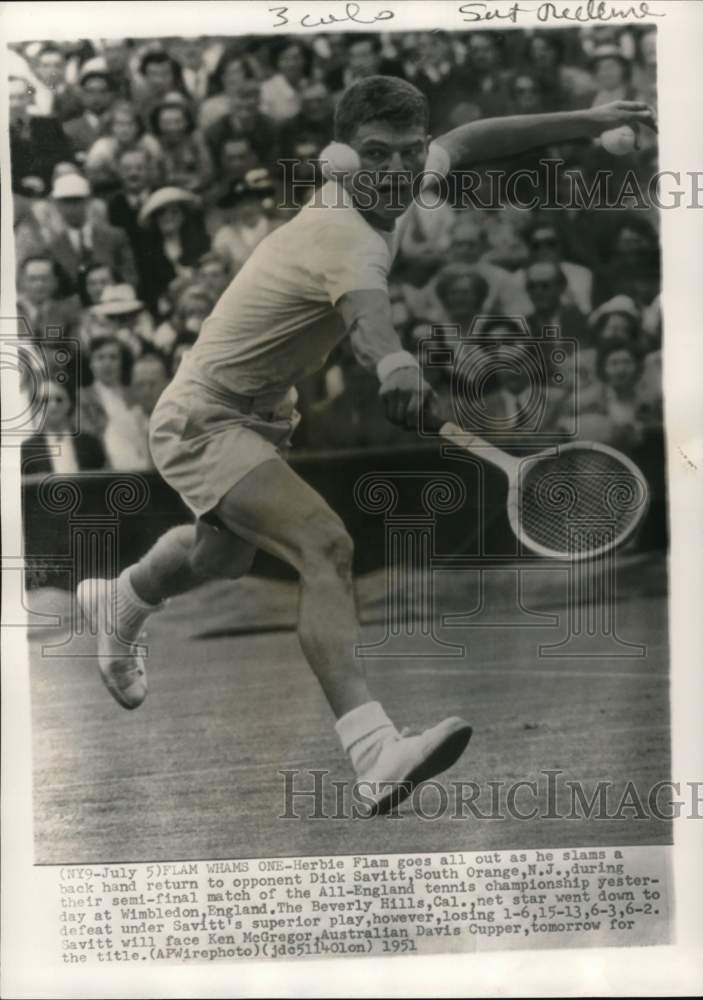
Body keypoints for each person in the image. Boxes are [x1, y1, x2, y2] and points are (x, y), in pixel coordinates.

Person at [77, 75, 656, 814]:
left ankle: (121, 600)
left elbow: (473, 140)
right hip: (204, 416)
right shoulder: (343, 234)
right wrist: (395, 365)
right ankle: (373, 749)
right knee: (326, 546)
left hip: (259, 411)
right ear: (340, 160)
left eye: (409, 154)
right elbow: (368, 322)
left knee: (220, 555)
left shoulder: (405, 177)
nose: (396, 171)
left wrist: (585, 116)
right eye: (376, 155)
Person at [21, 377, 106, 475]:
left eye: (59, 399)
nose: (53, 405)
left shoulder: (90, 443)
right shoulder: (27, 450)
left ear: (69, 402)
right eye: (46, 400)